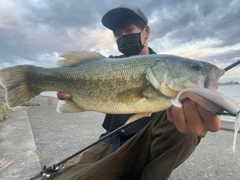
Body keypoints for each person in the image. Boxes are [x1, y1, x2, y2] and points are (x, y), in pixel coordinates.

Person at [48, 4, 221, 180]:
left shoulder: (166, 69)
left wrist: (202, 103)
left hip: (148, 144)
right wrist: (74, 96)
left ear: (146, 31)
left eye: (129, 29)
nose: (123, 37)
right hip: (110, 141)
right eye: (117, 34)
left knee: (185, 115)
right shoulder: (107, 65)